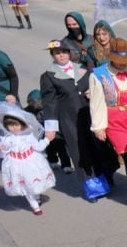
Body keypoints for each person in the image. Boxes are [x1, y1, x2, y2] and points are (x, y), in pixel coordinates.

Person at [39, 40, 93, 182]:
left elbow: (94, 85)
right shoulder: (48, 76)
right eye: (57, 53)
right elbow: (49, 103)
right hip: (68, 118)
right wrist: (50, 128)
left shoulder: (82, 68)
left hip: (89, 114)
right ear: (52, 55)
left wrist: (92, 92)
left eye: (64, 52)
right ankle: (89, 183)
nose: (61, 55)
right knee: (77, 149)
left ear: (69, 53)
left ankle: (104, 179)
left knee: (94, 145)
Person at [0, 108, 55, 214]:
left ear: (22, 124)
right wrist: (1, 149)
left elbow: (39, 147)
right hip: (15, 165)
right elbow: (1, 155)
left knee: (33, 183)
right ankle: (35, 206)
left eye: (16, 125)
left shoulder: (28, 136)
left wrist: (47, 140)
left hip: (30, 162)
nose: (13, 128)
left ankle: (37, 196)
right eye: (10, 125)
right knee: (26, 186)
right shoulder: (6, 139)